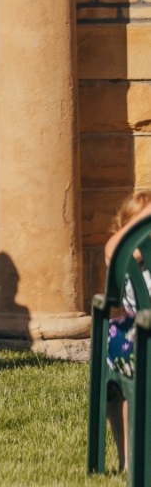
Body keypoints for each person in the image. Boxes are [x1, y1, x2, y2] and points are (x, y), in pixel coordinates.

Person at [103, 190, 151, 472]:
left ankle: (128, 461)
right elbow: (114, 249)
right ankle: (127, 459)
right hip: (137, 342)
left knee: (116, 344)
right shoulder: (122, 254)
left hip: (136, 343)